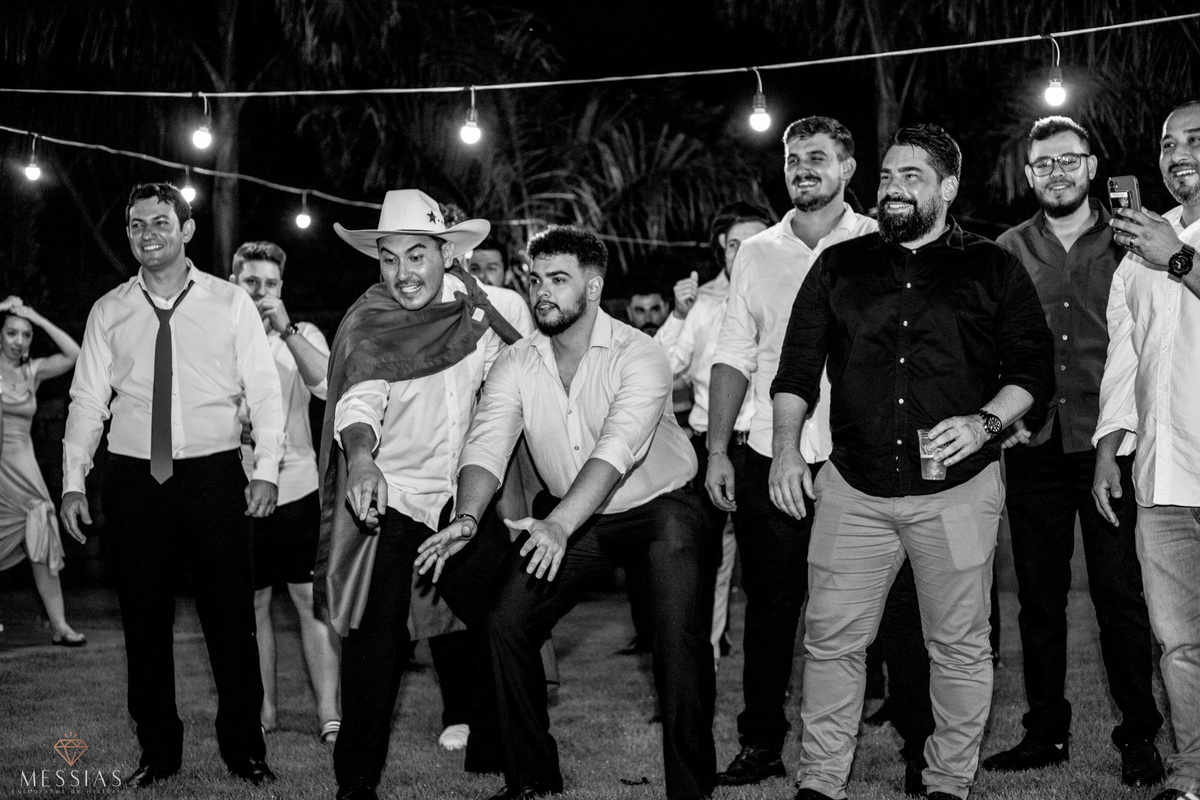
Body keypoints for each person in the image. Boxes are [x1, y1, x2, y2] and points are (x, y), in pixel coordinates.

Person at [772, 124, 1054, 800]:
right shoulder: (839, 266)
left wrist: (984, 423)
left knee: (959, 646)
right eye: (888, 176)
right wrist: (785, 451)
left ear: (947, 187)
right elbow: (797, 370)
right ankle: (820, 783)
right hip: (853, 488)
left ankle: (948, 782)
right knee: (831, 643)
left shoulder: (991, 266)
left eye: (911, 177)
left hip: (958, 490)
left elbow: (1033, 371)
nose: (893, 188)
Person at [416, 225, 716, 800]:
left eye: (558, 279)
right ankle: (531, 780)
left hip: (659, 509)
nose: (542, 292)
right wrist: (468, 518)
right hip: (576, 518)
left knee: (677, 635)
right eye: (535, 280)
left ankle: (690, 788)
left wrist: (558, 522)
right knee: (506, 621)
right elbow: (487, 444)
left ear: (593, 287)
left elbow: (618, 448)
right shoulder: (517, 361)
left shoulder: (640, 353)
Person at [60, 183, 285, 788]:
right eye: (137, 224)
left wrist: (266, 470)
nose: (148, 233)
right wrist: (74, 481)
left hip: (214, 474)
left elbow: (265, 392)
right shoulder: (109, 311)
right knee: (143, 621)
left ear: (186, 230)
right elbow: (87, 402)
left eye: (161, 222)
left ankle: (245, 750)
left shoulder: (230, 302)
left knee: (230, 618)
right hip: (134, 477)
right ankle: (158, 753)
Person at [314, 189, 531, 800]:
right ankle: (356, 784)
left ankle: (499, 751)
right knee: (374, 641)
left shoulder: (484, 312)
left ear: (446, 255)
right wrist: (361, 458)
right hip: (395, 499)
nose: (402, 273)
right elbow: (359, 400)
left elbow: (523, 380)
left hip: (463, 502)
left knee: (508, 617)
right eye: (389, 258)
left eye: (416, 255)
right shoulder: (370, 321)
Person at [982, 116, 1164, 785]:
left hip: (1110, 442)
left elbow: (1149, 334)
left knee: (1119, 596)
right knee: (1039, 598)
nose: (1055, 173)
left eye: (1067, 160)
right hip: (1034, 443)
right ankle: (1045, 732)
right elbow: (992, 342)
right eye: (1043, 164)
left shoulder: (1129, 238)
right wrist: (1003, 418)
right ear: (1029, 175)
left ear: (1091, 166)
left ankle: (1139, 734)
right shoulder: (1007, 248)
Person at [705, 116, 877, 786]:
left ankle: (907, 732)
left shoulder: (876, 241)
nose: (803, 168)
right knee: (771, 607)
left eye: (817, 157)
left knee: (871, 605)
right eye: (793, 158)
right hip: (768, 453)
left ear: (847, 168)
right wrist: (718, 450)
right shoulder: (756, 252)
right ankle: (760, 741)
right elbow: (733, 353)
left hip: (857, 455)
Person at [1097, 99, 1200, 800]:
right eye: (1167, 143)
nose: (1177, 153)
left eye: (1195, 139)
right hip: (1162, 477)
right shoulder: (1139, 250)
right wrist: (1110, 448)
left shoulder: (1163, 247)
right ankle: (1193, 773)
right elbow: (1125, 360)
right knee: (1181, 645)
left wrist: (1179, 258)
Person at [228, 241, 342, 744]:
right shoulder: (218, 334)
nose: (261, 292)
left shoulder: (302, 333)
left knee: (309, 600)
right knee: (252, 603)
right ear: (233, 282)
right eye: (251, 282)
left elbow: (329, 386)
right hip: (237, 487)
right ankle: (265, 710)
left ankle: (329, 714)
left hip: (296, 485)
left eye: (270, 283)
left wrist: (286, 328)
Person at [654, 201, 772, 663]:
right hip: (709, 448)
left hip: (763, 447)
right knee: (702, 562)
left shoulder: (785, 295)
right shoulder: (700, 303)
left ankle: (765, 674)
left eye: (756, 242)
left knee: (765, 570)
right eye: (736, 244)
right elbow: (661, 370)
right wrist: (679, 314)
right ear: (722, 247)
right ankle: (701, 658)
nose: (745, 252)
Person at [0, 296, 85, 646]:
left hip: (24, 468)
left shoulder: (31, 372)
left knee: (41, 534)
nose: (19, 341)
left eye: (26, 334)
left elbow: (74, 354)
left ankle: (59, 625)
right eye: (11, 332)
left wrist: (35, 316)